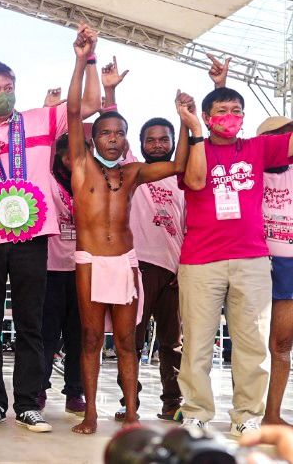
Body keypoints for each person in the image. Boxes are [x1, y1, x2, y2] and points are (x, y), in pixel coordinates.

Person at [0, 33, 102, 434]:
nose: (4, 95)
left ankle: (26, 403)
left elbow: (88, 105)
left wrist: (85, 62)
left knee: (31, 322)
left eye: (9, 88)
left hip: (32, 237)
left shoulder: (39, 119)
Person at [66, 25, 190, 434]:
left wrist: (186, 122)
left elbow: (176, 165)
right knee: (88, 340)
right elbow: (71, 111)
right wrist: (83, 60)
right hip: (88, 261)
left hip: (124, 261)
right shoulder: (81, 165)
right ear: (94, 137)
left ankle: (133, 413)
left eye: (120, 134)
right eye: (106, 133)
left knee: (125, 342)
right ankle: (90, 414)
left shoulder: (133, 172)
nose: (114, 139)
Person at [177, 84, 293, 436]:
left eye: (237, 111)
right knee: (197, 342)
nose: (230, 117)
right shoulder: (195, 147)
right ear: (209, 118)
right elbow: (195, 180)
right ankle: (196, 413)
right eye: (222, 111)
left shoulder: (258, 148)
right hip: (201, 260)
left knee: (252, 345)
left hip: (253, 260)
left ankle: (247, 417)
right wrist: (194, 131)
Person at [115, 116, 185, 422]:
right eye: (151, 139)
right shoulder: (135, 173)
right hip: (139, 267)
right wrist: (110, 90)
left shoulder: (183, 179)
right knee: (131, 339)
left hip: (174, 272)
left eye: (164, 139)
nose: (157, 144)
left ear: (172, 143)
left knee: (173, 343)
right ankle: (128, 401)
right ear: (141, 144)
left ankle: (173, 403)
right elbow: (117, 134)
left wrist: (187, 120)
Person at [39, 133, 85, 415]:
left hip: (83, 268)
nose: (72, 161)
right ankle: (38, 389)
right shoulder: (48, 180)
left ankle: (75, 392)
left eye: (78, 156)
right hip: (50, 268)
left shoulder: (91, 180)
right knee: (45, 334)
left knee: (79, 335)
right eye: (67, 155)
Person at [258, 115, 293, 426]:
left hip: (289, 266)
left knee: (281, 344)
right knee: (248, 343)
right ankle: (244, 413)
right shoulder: (249, 170)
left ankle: (272, 414)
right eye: (280, 136)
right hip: (251, 260)